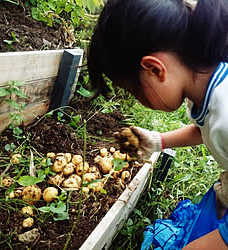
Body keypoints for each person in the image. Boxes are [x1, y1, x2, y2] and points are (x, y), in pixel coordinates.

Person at [87, 0, 228, 249]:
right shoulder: (205, 89)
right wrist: (158, 141)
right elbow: (205, 130)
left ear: (154, 68)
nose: (139, 101)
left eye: (133, 91)